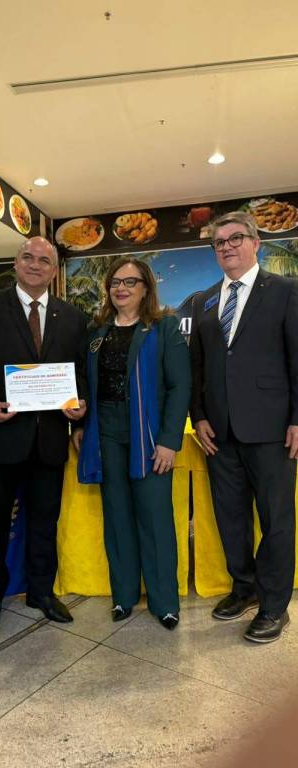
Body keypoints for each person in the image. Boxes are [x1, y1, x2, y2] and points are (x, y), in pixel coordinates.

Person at [0, 236, 87, 637]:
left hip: (49, 440)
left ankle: (41, 593)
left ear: (54, 270)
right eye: (28, 257)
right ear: (16, 264)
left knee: (44, 523)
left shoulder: (72, 317)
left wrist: (79, 405)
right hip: (0, 439)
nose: (35, 264)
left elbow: (79, 372)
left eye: (44, 260)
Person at [189, 210, 298, 643]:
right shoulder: (203, 300)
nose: (227, 247)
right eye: (219, 242)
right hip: (220, 433)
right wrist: (198, 415)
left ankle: (274, 607)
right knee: (230, 517)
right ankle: (245, 587)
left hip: (273, 430)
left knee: (276, 521)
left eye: (236, 238)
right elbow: (196, 366)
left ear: (256, 243)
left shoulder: (286, 291)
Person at [75, 257, 191, 627]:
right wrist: (81, 423)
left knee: (155, 517)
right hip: (105, 430)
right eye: (115, 282)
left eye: (130, 282)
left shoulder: (164, 327)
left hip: (150, 433)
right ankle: (123, 596)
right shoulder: (97, 332)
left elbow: (180, 386)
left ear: (146, 288)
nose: (121, 288)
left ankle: (164, 602)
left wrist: (169, 441)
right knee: (117, 515)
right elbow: (87, 384)